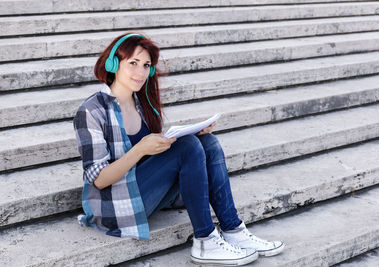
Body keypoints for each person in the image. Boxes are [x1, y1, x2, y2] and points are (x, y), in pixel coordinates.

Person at [73, 32, 285, 266]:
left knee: (208, 144)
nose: (141, 72)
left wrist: (183, 137)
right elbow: (99, 181)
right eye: (133, 63)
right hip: (114, 206)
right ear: (113, 64)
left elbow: (155, 156)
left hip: (142, 191)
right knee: (188, 147)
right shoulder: (91, 111)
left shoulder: (142, 103)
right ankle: (205, 240)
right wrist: (141, 149)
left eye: (146, 66)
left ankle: (233, 229)